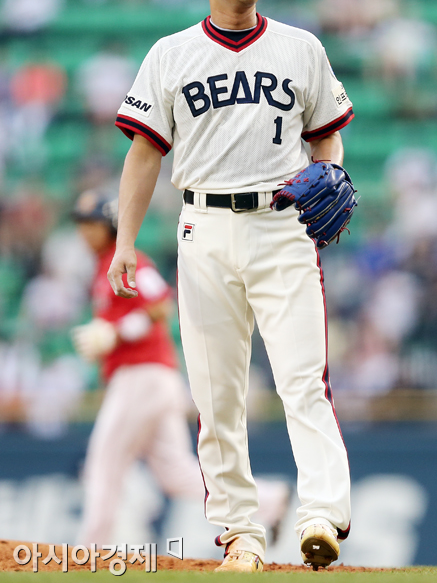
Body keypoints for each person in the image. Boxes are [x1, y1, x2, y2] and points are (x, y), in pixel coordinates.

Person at [108, 0, 353, 572]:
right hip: (204, 229)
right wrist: (126, 241)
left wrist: (331, 169)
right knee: (217, 397)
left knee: (304, 383)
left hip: (281, 227)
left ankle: (322, 516)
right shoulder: (171, 54)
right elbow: (143, 155)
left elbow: (327, 131)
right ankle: (240, 534)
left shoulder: (301, 47)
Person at [71, 189, 289, 548]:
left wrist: (115, 332)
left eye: (91, 223)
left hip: (142, 378)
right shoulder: (103, 264)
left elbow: (159, 303)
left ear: (108, 224)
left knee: (103, 462)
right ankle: (268, 501)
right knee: (175, 473)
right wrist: (113, 335)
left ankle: (90, 549)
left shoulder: (129, 260)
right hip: (151, 380)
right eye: (80, 223)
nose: (84, 231)